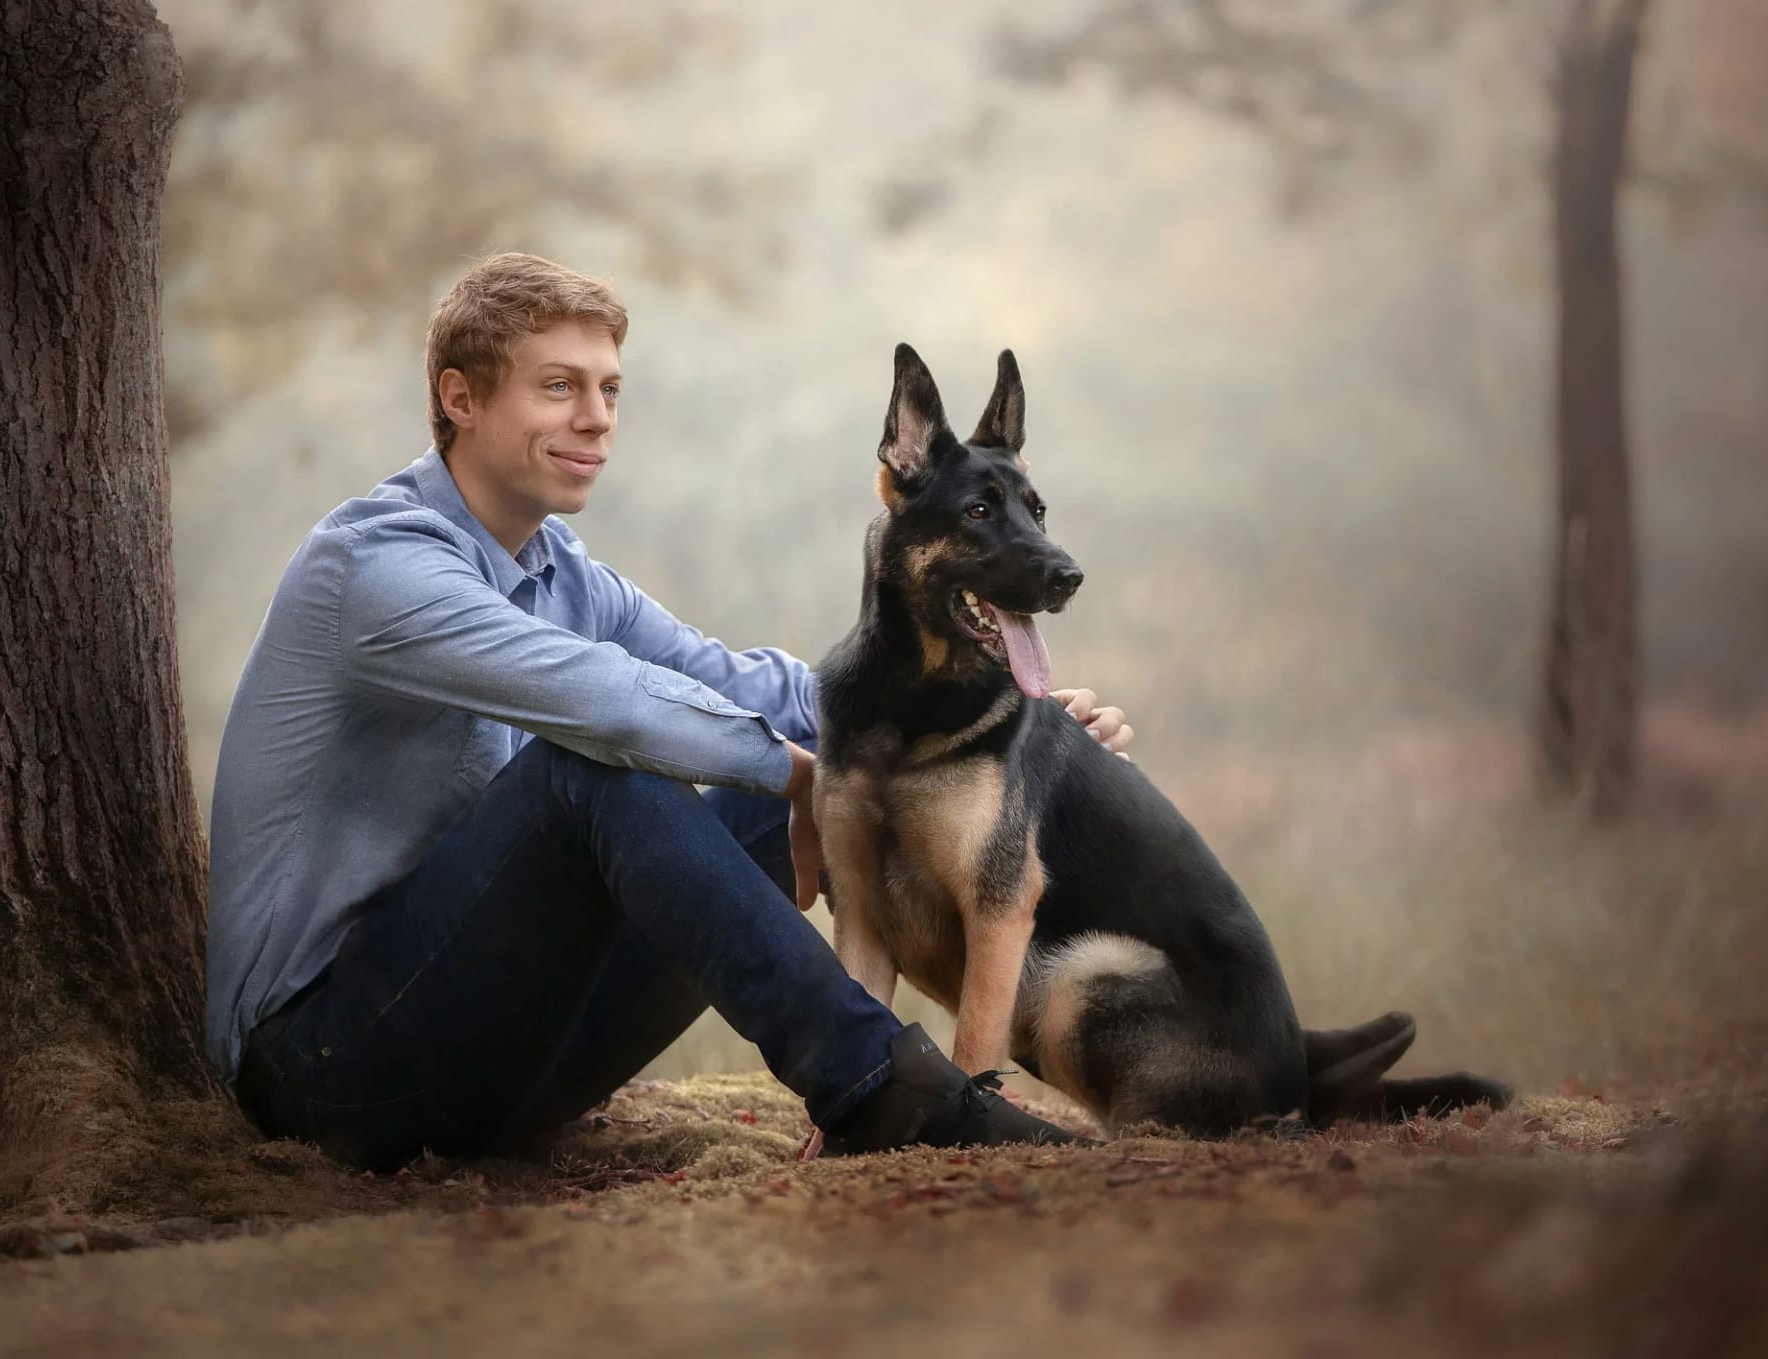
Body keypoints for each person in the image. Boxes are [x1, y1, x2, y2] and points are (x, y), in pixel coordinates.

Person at [205, 252, 1136, 1169]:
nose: (597, 418)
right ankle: (884, 1089)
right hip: (326, 1071)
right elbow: (611, 705)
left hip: (508, 1065)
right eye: (559, 387)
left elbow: (746, 684)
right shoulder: (376, 567)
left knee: (775, 801)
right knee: (592, 771)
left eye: (610, 388)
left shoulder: (561, 570)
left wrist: (1020, 725)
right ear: (460, 397)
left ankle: (951, 1075)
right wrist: (798, 771)